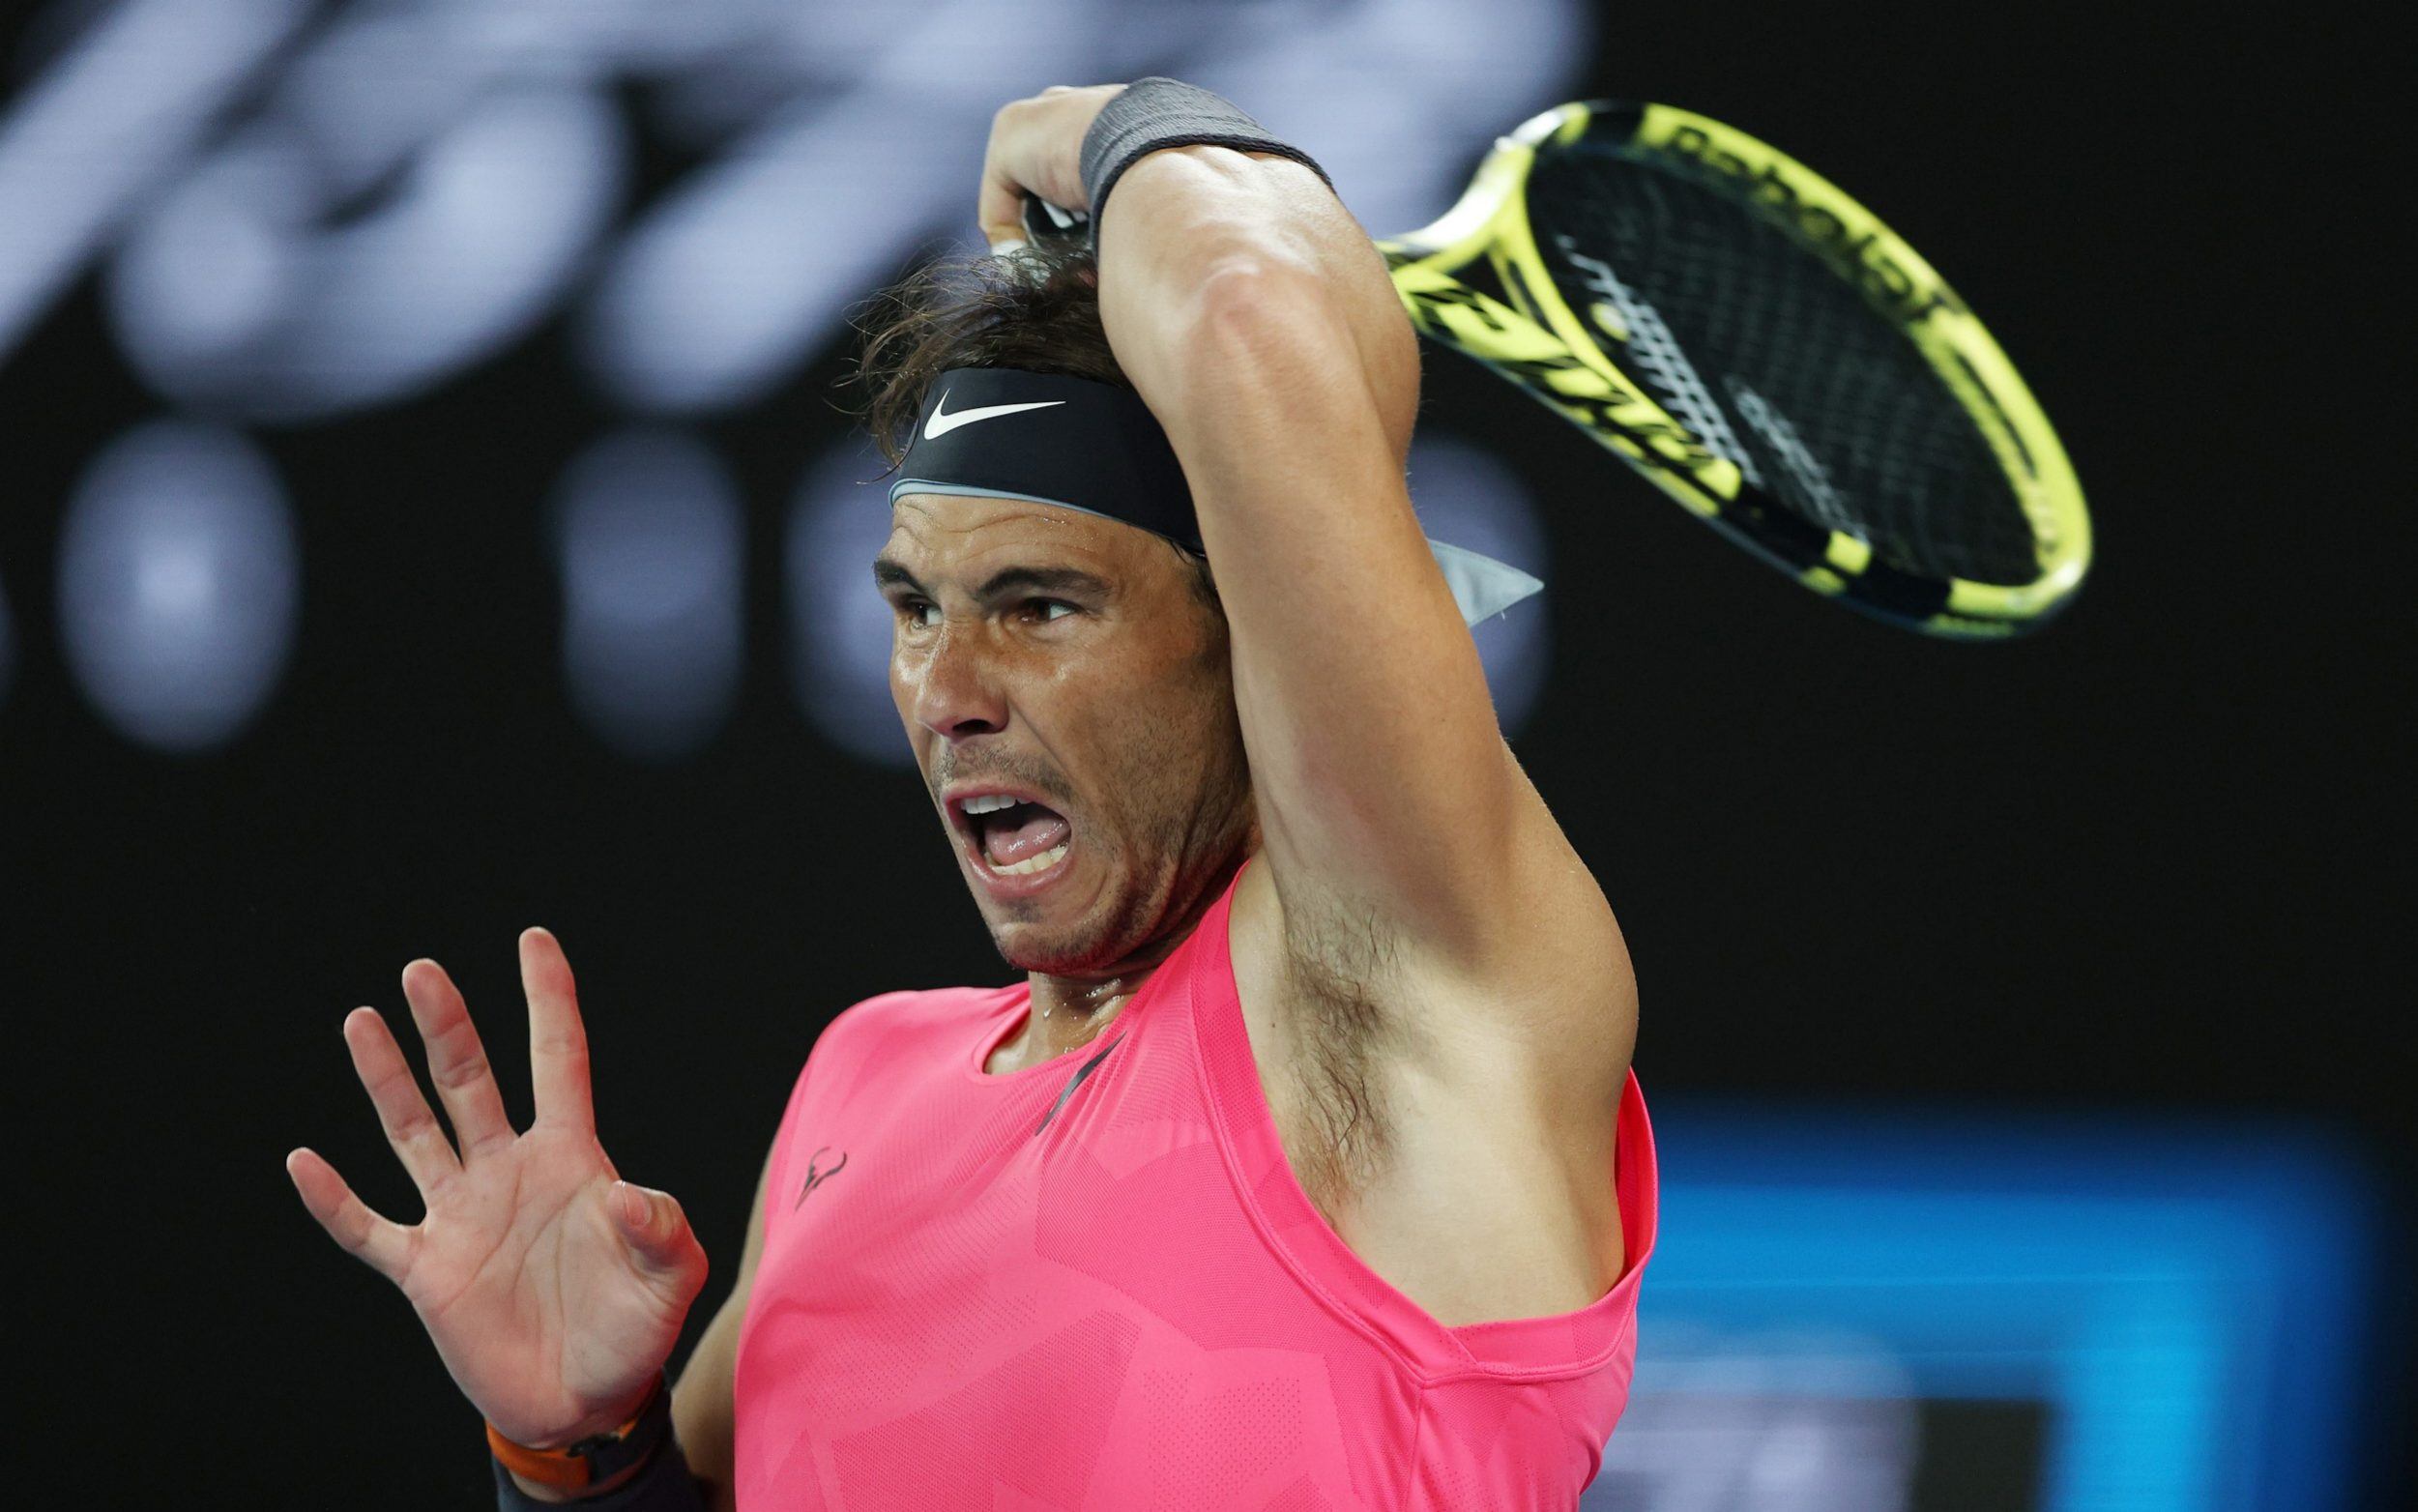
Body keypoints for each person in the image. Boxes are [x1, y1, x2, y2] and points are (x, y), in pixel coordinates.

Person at [285, 78, 1655, 1511]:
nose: (949, 692)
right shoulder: (865, 1082)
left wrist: (1101, 125)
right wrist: (578, 1456)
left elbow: (1250, 305)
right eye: (915, 610)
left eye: (1041, 606)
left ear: (1252, 636)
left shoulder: (1397, 1005)